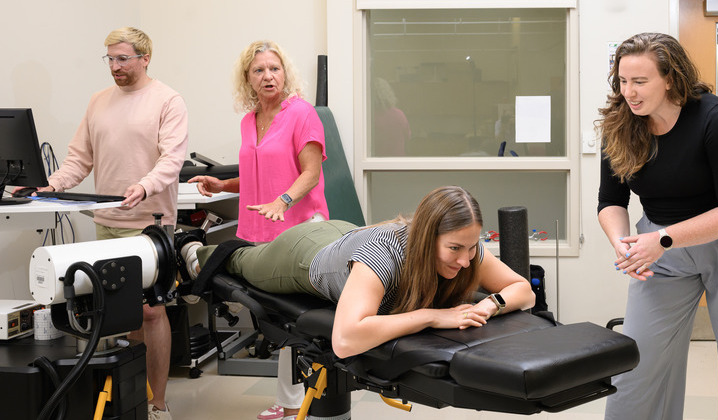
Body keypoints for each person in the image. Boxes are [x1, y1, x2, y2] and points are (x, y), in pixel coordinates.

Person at [596, 32, 718, 420]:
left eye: (640, 82)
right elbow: (610, 201)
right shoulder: (619, 124)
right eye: (623, 81)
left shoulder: (713, 118)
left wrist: (663, 239)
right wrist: (623, 244)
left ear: (670, 78)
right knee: (639, 356)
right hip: (658, 244)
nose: (629, 92)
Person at [28, 27, 189, 420]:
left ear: (145, 57)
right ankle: (128, 398)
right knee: (117, 311)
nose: (115, 67)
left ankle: (157, 403)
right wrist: (50, 185)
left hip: (150, 224)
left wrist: (144, 185)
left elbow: (172, 159)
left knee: (151, 311)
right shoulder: (98, 102)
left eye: (123, 59)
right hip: (107, 221)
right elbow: (79, 159)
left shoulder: (167, 100)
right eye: (110, 60)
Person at [183, 185, 536, 359]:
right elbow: (346, 339)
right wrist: (432, 316)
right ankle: (193, 251)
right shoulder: (385, 255)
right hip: (304, 253)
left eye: (472, 247)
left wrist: (491, 305)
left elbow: (523, 289)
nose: (465, 259)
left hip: (347, 236)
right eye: (454, 249)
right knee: (243, 260)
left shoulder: (467, 246)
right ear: (428, 238)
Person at [186, 40, 327, 420]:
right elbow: (254, 174)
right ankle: (293, 398)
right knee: (274, 317)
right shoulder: (249, 120)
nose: (268, 76)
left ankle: (303, 399)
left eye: (275, 68)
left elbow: (310, 174)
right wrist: (222, 185)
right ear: (247, 80)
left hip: (299, 227)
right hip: (259, 229)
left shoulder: (302, 114)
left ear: (286, 73)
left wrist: (283, 201)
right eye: (259, 70)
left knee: (298, 316)